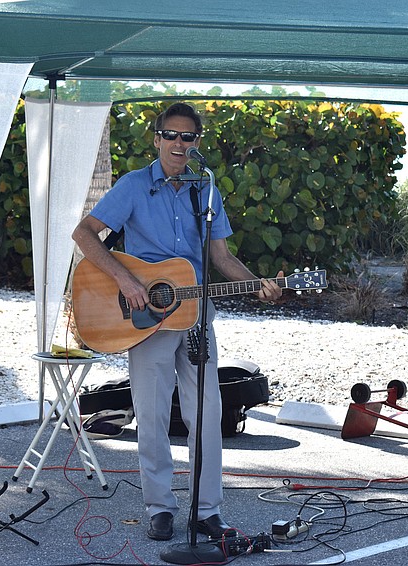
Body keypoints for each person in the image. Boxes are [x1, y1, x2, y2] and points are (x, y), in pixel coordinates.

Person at [72, 102, 283, 542]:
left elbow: (220, 257)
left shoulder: (204, 190)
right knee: (150, 414)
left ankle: (207, 511)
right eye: (171, 135)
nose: (179, 144)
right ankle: (159, 508)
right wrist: (127, 281)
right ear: (157, 139)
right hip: (144, 316)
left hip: (195, 313)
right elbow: (84, 235)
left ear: (196, 143)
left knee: (206, 411)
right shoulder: (132, 186)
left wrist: (256, 284)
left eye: (188, 137)